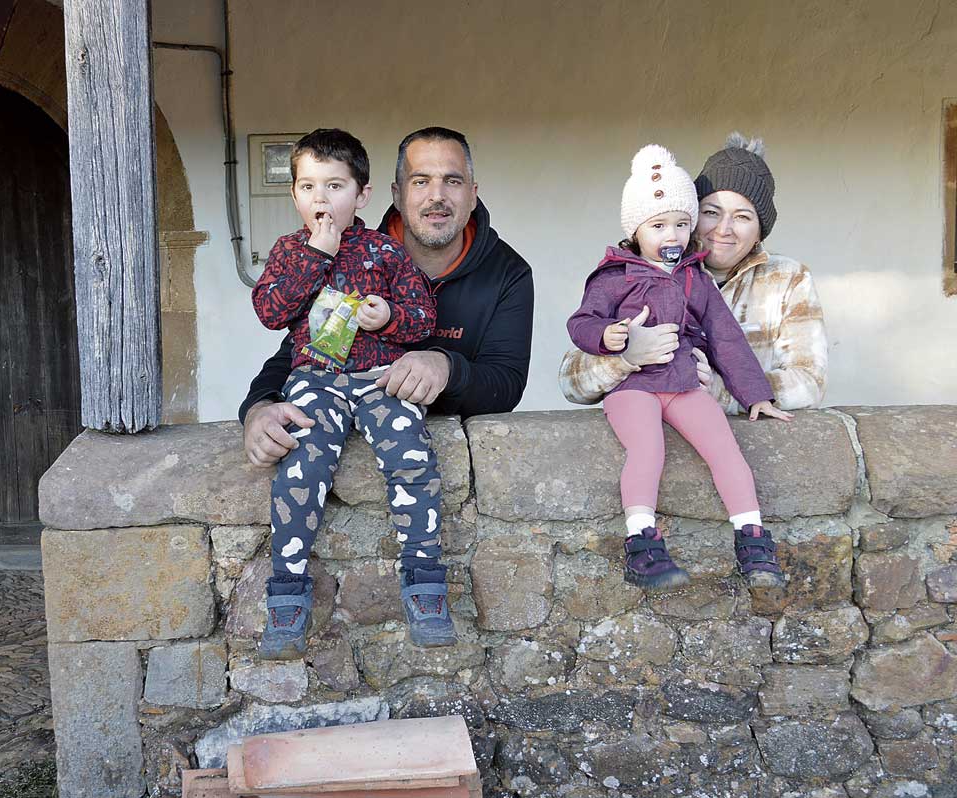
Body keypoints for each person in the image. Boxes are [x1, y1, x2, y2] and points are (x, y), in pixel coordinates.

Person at [250, 129, 452, 659]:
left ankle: (424, 582)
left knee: (412, 457)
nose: (321, 199)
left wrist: (388, 319)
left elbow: (422, 318)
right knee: (301, 468)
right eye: (309, 187)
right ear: (294, 195)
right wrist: (318, 254)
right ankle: (288, 595)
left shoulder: (385, 250)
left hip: (379, 378)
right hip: (315, 381)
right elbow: (271, 311)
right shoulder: (290, 252)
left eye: (335, 186)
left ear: (361, 195)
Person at [240, 126, 535, 465]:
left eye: (452, 181)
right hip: (351, 449)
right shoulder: (356, 256)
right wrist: (258, 409)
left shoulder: (507, 272)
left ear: (472, 194)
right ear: (397, 194)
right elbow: (304, 349)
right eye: (420, 181)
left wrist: (446, 367)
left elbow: (506, 384)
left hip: (436, 462)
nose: (436, 195)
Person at [566, 144, 789, 591]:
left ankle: (751, 536)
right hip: (633, 386)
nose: (673, 234)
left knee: (724, 447)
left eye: (683, 224)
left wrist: (756, 395)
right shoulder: (615, 275)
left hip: (684, 384)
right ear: (636, 229)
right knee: (648, 449)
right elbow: (582, 322)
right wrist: (609, 337)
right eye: (659, 225)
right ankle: (642, 542)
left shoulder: (695, 278)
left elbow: (726, 338)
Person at [559, 133, 827, 415]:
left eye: (743, 217)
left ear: (761, 231)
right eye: (711, 212)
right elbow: (570, 383)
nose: (724, 229)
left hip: (744, 442)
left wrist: (719, 391)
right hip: (654, 432)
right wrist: (625, 357)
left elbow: (809, 384)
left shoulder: (787, 279)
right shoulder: (644, 270)